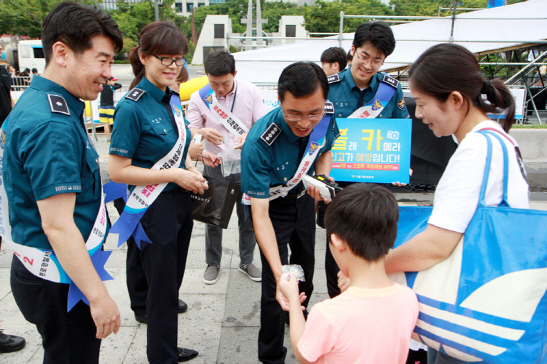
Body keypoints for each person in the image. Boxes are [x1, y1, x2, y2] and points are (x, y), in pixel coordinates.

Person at [379, 43, 529, 364]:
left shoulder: (475, 150)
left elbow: (436, 245)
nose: (417, 114)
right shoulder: (500, 140)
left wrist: (373, 266)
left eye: (421, 103)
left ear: (456, 100)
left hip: (469, 321)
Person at [3, 2, 123, 363]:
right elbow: (56, 224)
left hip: (47, 267)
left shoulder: (46, 103)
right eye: (101, 60)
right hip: (58, 277)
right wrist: (99, 297)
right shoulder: (52, 124)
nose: (108, 73)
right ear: (62, 53)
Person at [109, 21, 210, 363]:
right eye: (164, 58)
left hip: (179, 202)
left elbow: (179, 150)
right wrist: (177, 174)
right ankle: (162, 355)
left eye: (178, 59)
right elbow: (118, 170)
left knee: (168, 281)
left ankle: (160, 337)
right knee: (164, 288)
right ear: (143, 56)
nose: (172, 66)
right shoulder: (131, 107)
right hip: (153, 207)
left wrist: (191, 169)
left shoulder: (171, 98)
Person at [241, 61, 339, 364]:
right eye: (294, 113)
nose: (305, 122)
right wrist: (279, 272)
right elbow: (260, 216)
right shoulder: (259, 143)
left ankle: (300, 324)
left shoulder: (326, 117)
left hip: (301, 199)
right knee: (277, 283)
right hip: (268, 206)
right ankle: (271, 355)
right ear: (279, 100)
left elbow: (324, 150)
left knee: (305, 267)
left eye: (314, 112)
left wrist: (321, 179)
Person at [279, 184, 418, 364]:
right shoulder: (408, 298)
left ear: (337, 242)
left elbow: (303, 355)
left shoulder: (327, 313)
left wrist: (294, 302)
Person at [325, 21, 409, 299]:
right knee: (337, 251)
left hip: (376, 191)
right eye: (364, 56)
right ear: (353, 51)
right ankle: (338, 307)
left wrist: (400, 164)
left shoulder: (391, 90)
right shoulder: (328, 88)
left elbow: (400, 132)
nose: (369, 65)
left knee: (375, 252)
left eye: (377, 60)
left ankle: (369, 307)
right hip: (339, 188)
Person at [188, 51, 266, 284]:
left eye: (225, 83)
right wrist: (201, 134)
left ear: (235, 74)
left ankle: (246, 261)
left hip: (246, 164)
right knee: (212, 217)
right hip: (215, 163)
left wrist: (248, 137)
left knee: (248, 218)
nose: (219, 89)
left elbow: (260, 125)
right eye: (214, 83)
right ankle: (213, 262)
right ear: (207, 77)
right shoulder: (198, 97)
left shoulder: (250, 92)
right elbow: (188, 131)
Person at [99, 76, 122, 142]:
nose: (114, 82)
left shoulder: (102, 87)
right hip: (110, 107)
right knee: (114, 123)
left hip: (102, 107)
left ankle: (108, 139)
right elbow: (119, 85)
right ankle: (116, 138)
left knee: (105, 124)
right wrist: (114, 84)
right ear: (108, 81)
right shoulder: (111, 87)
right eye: (113, 80)